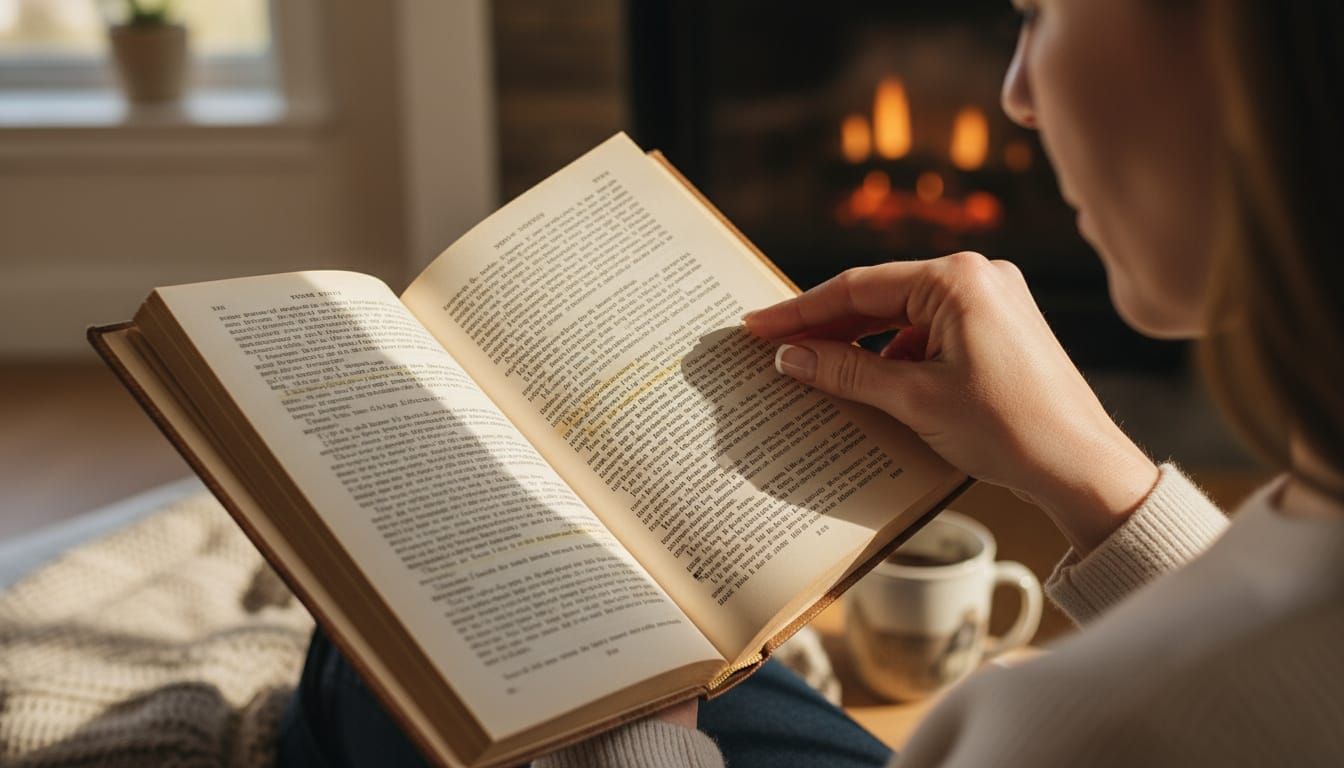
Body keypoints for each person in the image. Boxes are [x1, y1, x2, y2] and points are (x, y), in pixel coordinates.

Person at [279, 0, 1344, 765]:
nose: (1017, 94)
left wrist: (629, 743)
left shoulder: (1066, 730)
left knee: (373, 657)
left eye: (1039, 13)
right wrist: (1106, 486)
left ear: (1239, 43)